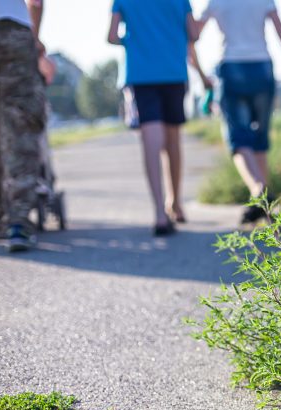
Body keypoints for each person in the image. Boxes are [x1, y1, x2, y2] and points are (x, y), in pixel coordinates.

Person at [193, 0, 281, 224]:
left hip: (231, 67)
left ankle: (257, 188)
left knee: (239, 137)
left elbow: (193, 33)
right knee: (259, 138)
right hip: (261, 67)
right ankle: (267, 207)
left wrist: (201, 74)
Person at [108, 0, 199, 236]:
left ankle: (159, 213)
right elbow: (194, 33)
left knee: (151, 140)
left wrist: (132, 40)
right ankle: (176, 204)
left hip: (141, 73)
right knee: (173, 140)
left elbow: (110, 36)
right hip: (173, 71)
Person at [0, 0, 47, 252]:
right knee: (19, 128)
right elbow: (36, 3)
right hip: (13, 32)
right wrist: (35, 38)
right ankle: (18, 221)